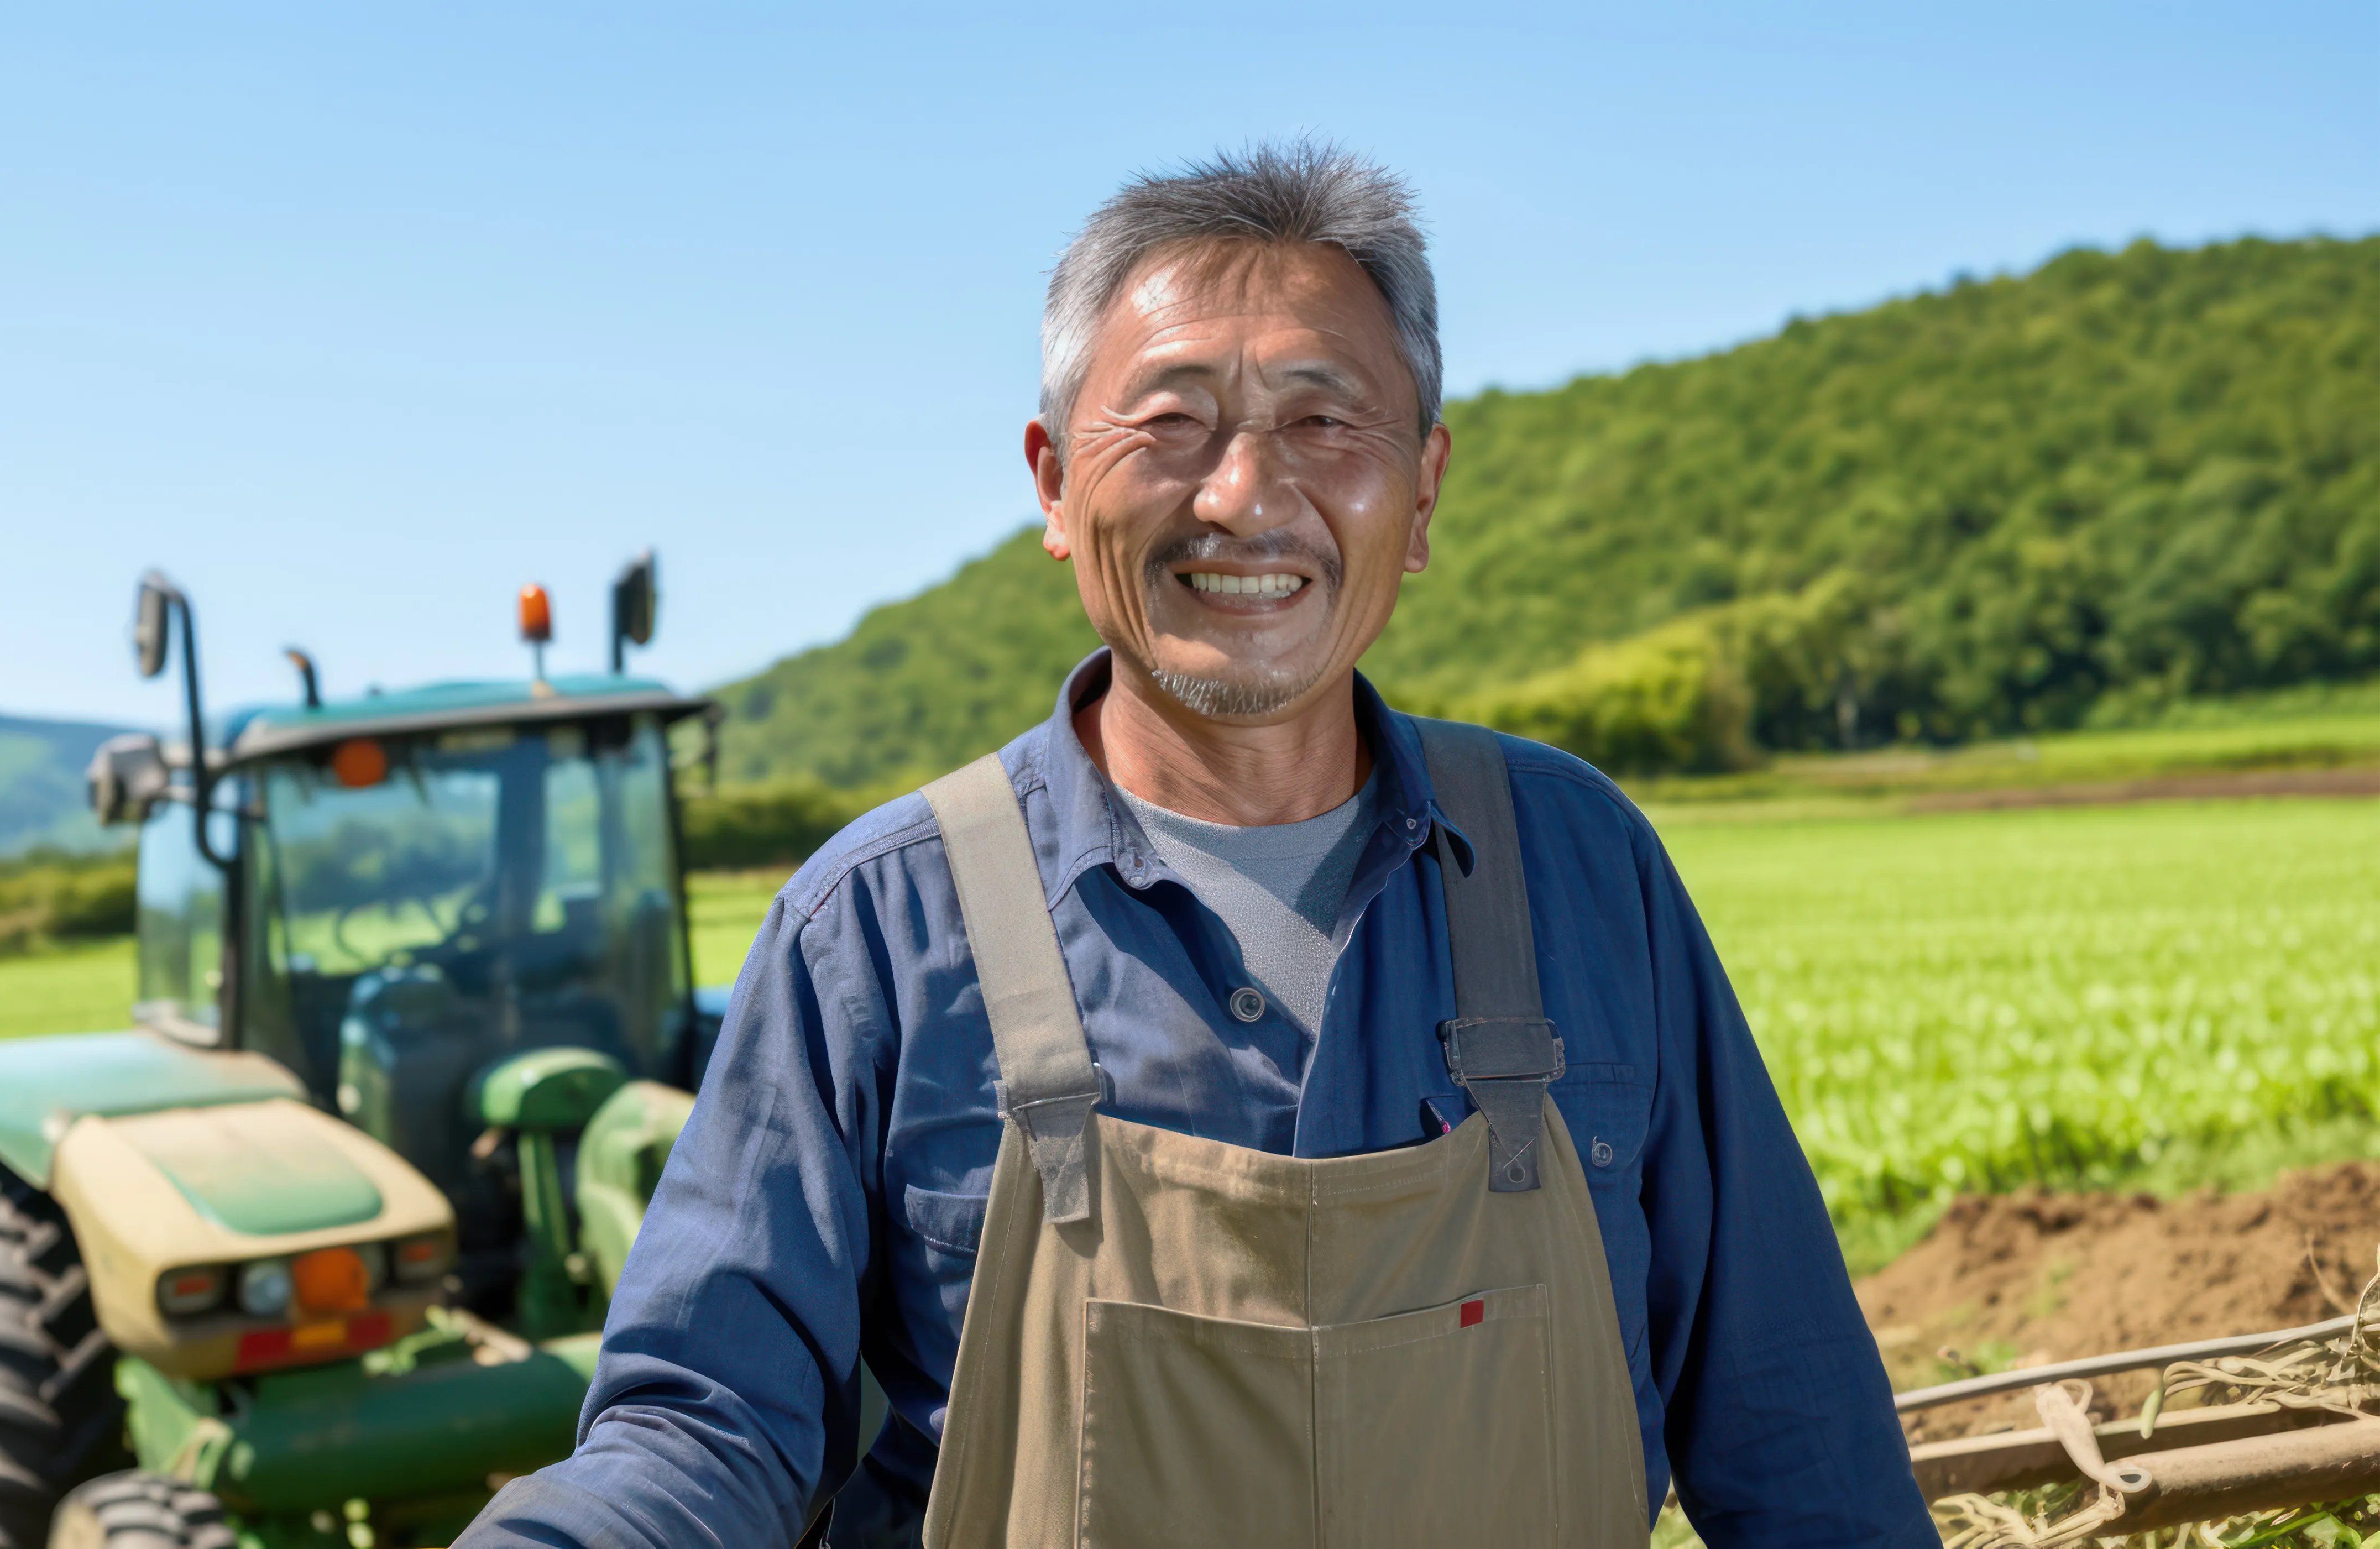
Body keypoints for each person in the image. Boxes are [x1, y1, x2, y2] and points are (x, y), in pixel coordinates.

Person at [457, 142, 1934, 1548]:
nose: (1243, 496)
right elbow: (707, 1429)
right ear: (1051, 483)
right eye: (1169, 424)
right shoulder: (880, 929)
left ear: (1420, 494)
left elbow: (1795, 1433)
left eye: (1322, 421)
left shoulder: (1579, 869)